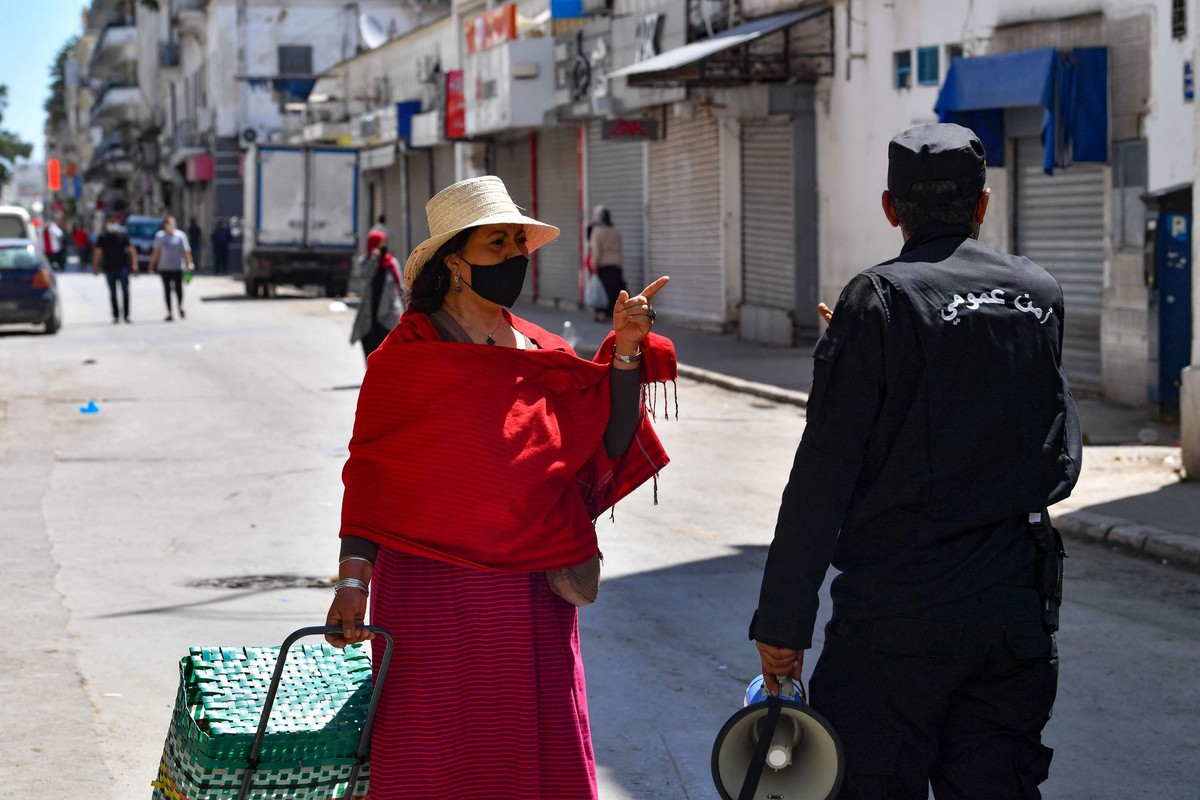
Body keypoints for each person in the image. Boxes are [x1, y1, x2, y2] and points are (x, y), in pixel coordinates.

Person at [750, 123, 1081, 799]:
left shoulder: (879, 300)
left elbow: (823, 477)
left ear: (891, 208)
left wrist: (783, 625)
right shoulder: (1037, 295)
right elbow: (1057, 444)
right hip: (1013, 616)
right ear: (982, 204)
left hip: (897, 625)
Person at [325, 175, 673, 799]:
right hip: (432, 592)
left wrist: (624, 352)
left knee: (533, 744)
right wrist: (354, 578)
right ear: (455, 262)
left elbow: (610, 444)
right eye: (497, 244)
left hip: (530, 594)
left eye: (519, 243)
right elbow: (372, 474)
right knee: (439, 748)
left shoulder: (544, 350)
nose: (514, 257)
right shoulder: (406, 358)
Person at [349, 230, 403, 358]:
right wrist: (374, 259)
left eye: (384, 244)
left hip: (388, 317)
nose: (382, 247)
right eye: (379, 244)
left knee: (387, 356)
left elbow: (400, 287)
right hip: (369, 318)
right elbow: (365, 276)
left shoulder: (392, 263)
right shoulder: (365, 261)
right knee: (370, 354)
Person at [92, 214, 139, 323]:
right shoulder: (103, 237)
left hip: (123, 267)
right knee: (113, 292)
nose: (112, 224)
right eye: (110, 222)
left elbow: (131, 250)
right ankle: (116, 315)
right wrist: (95, 266)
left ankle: (126, 315)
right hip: (109, 268)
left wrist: (134, 264)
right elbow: (98, 253)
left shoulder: (123, 235)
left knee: (125, 291)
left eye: (114, 222)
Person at [148, 216, 194, 321]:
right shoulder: (160, 236)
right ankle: (169, 312)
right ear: (164, 225)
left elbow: (186, 251)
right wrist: (151, 265)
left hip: (178, 267)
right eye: (168, 223)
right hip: (164, 267)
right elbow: (156, 252)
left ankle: (180, 306)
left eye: (172, 223)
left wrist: (190, 263)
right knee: (167, 290)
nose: (170, 225)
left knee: (178, 288)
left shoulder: (180, 235)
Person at [587, 204, 625, 322]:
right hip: (616, 265)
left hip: (603, 266)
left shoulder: (597, 231)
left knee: (602, 291)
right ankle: (614, 315)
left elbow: (596, 251)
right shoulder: (614, 231)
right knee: (614, 291)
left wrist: (594, 266)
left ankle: (601, 315)